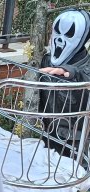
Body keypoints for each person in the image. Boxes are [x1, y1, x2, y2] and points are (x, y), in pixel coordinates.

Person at [38, 9, 90, 154]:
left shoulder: (85, 65)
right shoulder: (47, 60)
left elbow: (84, 74)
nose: (60, 39)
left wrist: (72, 72)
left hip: (74, 139)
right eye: (58, 32)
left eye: (69, 35)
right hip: (48, 130)